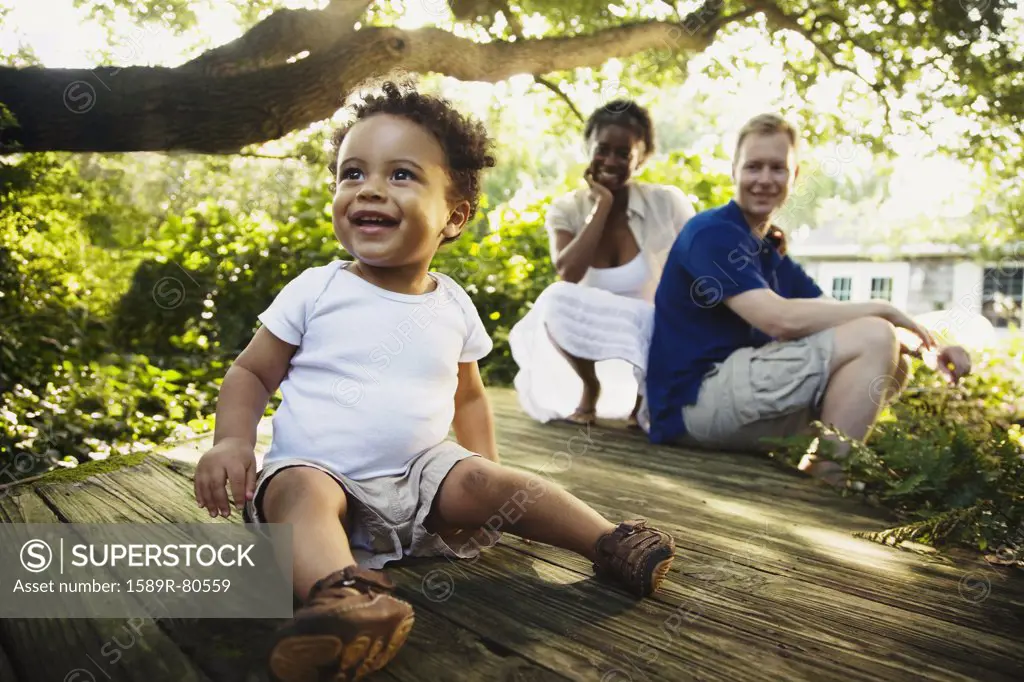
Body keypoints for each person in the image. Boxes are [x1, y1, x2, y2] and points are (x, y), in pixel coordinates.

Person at [192, 81, 677, 682]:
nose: (368, 188)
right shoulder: (317, 289)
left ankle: (608, 542)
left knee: (496, 479)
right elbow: (250, 372)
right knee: (299, 492)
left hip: (422, 483)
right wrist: (232, 441)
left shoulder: (453, 304)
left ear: (454, 214)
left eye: (400, 175)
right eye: (352, 174)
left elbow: (468, 393)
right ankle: (343, 600)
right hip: (319, 474)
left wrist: (485, 474)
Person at [645, 113, 972, 485]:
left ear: (794, 175)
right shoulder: (712, 233)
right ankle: (828, 484)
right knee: (876, 335)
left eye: (777, 168)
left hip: (733, 399)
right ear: (733, 170)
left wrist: (931, 348)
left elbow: (835, 314)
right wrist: (886, 309)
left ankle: (819, 472)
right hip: (693, 404)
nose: (765, 179)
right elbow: (776, 319)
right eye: (753, 167)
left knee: (890, 355)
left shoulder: (768, 249)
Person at [509, 100, 695, 427]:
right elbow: (568, 272)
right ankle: (590, 388)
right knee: (554, 297)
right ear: (588, 149)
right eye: (602, 150)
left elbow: (701, 261)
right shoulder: (566, 209)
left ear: (642, 158)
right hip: (589, 339)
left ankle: (642, 401)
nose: (610, 161)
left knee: (659, 314)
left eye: (623, 154)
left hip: (653, 336)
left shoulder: (667, 202)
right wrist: (602, 207)